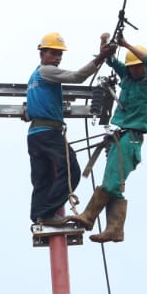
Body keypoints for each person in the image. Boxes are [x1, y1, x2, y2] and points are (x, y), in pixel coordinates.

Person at [66, 34, 147, 243]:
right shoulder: (127, 79)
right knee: (115, 184)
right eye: (133, 67)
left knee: (111, 184)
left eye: (139, 66)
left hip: (132, 139)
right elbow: (111, 61)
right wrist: (105, 45)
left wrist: (126, 44)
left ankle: (88, 216)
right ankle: (115, 229)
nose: (137, 69)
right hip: (119, 138)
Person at [26, 31, 118, 224]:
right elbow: (77, 77)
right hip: (49, 133)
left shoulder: (34, 77)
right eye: (53, 53)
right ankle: (49, 212)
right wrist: (101, 57)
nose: (57, 58)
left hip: (34, 135)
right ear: (42, 53)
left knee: (42, 179)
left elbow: (35, 106)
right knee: (70, 171)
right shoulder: (46, 71)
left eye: (60, 54)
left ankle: (40, 216)